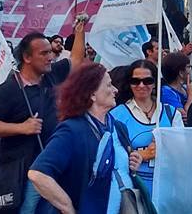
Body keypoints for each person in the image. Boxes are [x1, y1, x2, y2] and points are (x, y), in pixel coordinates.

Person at [0, 20, 86, 213]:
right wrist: (21, 128)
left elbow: (76, 59)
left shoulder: (52, 75)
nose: (50, 57)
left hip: (51, 168)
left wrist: (80, 31)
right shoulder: (9, 89)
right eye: (44, 53)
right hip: (23, 172)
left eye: (50, 52)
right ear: (27, 57)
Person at [28, 63, 143, 214]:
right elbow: (37, 174)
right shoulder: (72, 130)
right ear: (92, 94)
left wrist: (132, 164)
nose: (115, 90)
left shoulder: (118, 127)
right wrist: (68, 207)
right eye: (109, 85)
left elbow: (119, 169)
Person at [109, 60, 183, 195]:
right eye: (135, 81)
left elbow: (182, 151)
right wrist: (143, 154)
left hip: (167, 189)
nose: (141, 85)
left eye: (147, 81)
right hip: (134, 190)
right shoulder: (116, 116)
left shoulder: (171, 114)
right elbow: (111, 157)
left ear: (155, 83)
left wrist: (165, 146)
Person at [159, 51, 192, 119]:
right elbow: (184, 117)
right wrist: (191, 96)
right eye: (188, 67)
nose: (190, 71)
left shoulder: (185, 88)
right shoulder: (166, 93)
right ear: (181, 73)